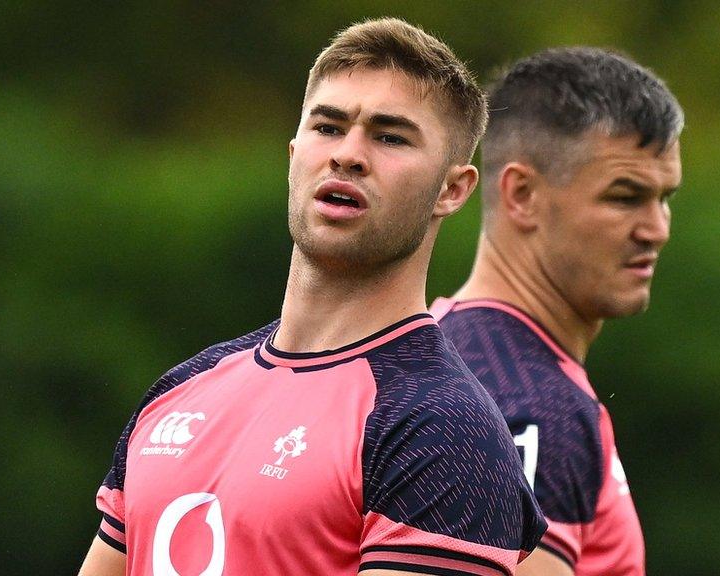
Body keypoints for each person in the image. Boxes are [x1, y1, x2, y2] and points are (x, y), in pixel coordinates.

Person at [77, 18, 545, 576]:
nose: (348, 154)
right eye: (328, 127)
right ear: (294, 152)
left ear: (452, 189)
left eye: (390, 136)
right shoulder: (180, 390)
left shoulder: (443, 429)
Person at [431, 47, 684, 576]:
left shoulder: (430, 348)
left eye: (665, 197)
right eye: (625, 196)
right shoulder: (535, 411)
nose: (657, 228)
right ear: (522, 194)